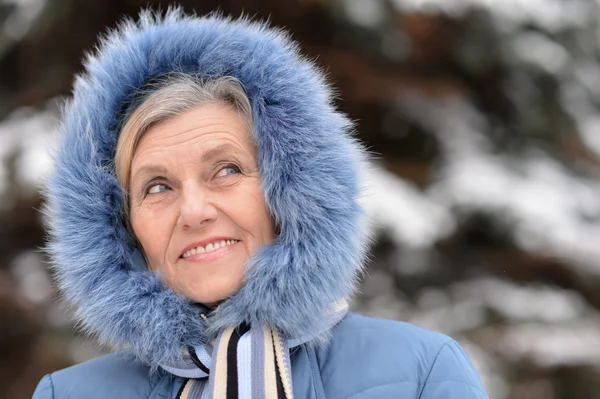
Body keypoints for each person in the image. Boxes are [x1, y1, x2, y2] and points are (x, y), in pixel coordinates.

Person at [32, 8, 488, 399]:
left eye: (226, 170)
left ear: (290, 191)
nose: (194, 211)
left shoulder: (422, 373)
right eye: (156, 187)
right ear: (122, 227)